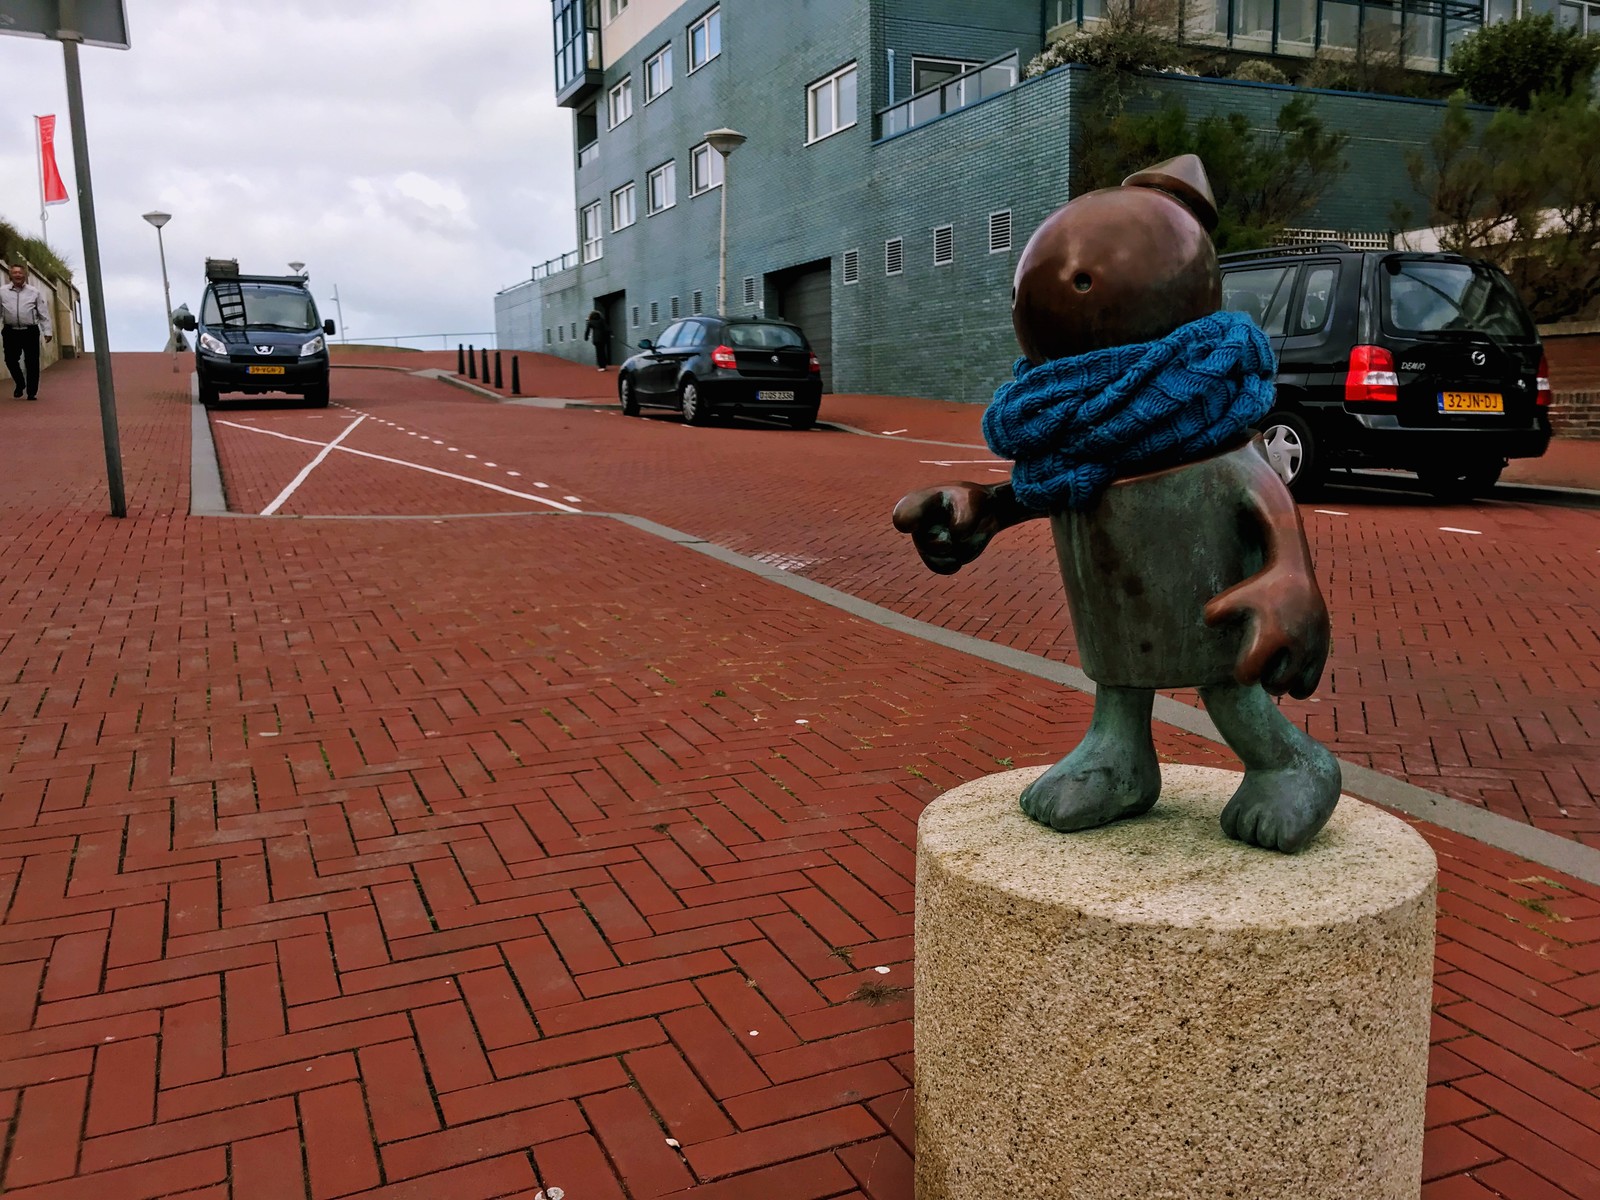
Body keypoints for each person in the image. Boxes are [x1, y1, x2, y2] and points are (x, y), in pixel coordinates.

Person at [2, 264, 54, 402]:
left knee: (32, 362)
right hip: (10, 331)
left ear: (25, 275)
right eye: (15, 273)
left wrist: (47, 331)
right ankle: (20, 383)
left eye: (20, 273)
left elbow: (43, 313)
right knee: (10, 360)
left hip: (30, 331)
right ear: (10, 276)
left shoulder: (34, 292)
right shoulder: (2, 292)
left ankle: (31, 392)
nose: (18, 275)